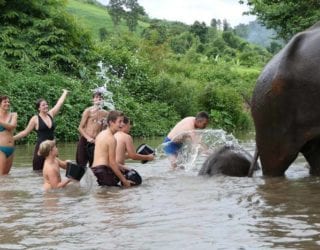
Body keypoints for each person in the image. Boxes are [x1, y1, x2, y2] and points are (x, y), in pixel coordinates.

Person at [13, 89, 68, 171]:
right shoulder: (35, 119)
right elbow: (25, 132)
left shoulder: (51, 114)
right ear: (39, 108)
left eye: (46, 104)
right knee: (37, 171)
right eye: (43, 105)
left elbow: (59, 104)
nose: (46, 106)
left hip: (52, 147)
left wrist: (65, 93)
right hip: (41, 148)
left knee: (54, 168)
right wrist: (12, 138)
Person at [91, 110, 133, 187]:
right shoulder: (111, 139)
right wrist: (124, 181)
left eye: (123, 121)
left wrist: (121, 166)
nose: (122, 124)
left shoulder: (101, 134)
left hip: (95, 170)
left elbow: (105, 158)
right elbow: (112, 163)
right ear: (111, 122)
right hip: (102, 171)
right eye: (119, 122)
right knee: (116, 195)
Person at [76, 92, 108, 167]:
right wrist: (88, 138)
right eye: (96, 97)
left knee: (94, 165)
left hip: (96, 141)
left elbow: (104, 130)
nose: (98, 99)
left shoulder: (105, 113)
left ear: (103, 100)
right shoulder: (88, 111)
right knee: (81, 165)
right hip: (85, 140)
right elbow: (80, 128)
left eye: (100, 98)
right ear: (93, 100)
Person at [0, 95, 17, 175]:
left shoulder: (13, 115)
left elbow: (12, 126)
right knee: (1, 176)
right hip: (1, 149)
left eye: (8, 102)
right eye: (5, 102)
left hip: (11, 149)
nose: (7, 103)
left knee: (6, 176)